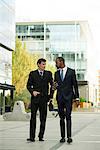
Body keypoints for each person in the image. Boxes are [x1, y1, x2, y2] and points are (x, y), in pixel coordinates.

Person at [27, 58, 53, 142]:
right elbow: (28, 85)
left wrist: (50, 96)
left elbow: (52, 85)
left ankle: (41, 136)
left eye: (45, 64)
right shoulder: (32, 74)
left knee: (43, 118)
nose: (44, 66)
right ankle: (32, 137)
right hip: (35, 99)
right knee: (33, 118)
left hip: (44, 99)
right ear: (38, 64)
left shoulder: (48, 74)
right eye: (43, 64)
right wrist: (32, 91)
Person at [54, 57, 79, 144]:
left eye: (56, 62)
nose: (55, 64)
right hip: (60, 98)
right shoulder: (56, 73)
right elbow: (55, 86)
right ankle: (62, 137)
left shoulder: (71, 72)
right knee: (61, 118)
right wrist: (53, 87)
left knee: (68, 116)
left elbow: (75, 85)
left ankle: (69, 136)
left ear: (61, 62)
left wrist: (77, 98)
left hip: (69, 98)